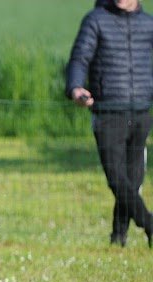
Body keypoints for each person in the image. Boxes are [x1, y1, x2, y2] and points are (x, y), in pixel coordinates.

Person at [65, 0, 153, 248]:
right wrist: (75, 88)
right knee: (117, 178)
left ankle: (118, 238)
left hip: (140, 112)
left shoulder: (148, 25)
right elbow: (79, 58)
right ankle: (149, 223)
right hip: (107, 112)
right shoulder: (95, 20)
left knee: (133, 181)